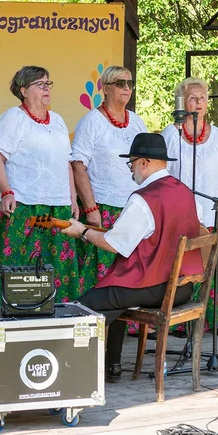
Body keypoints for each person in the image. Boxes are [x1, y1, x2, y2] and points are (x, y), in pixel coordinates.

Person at [62, 133, 202, 382]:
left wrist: (82, 231)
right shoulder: (184, 191)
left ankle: (72, 370)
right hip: (183, 285)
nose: (131, 170)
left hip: (155, 285)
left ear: (144, 163)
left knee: (84, 304)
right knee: (115, 296)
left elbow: (115, 245)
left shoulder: (143, 199)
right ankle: (110, 365)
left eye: (132, 163)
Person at [0, 65, 82, 303]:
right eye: (40, 84)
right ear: (24, 91)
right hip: (25, 206)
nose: (46, 88)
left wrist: (72, 197)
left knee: (58, 266)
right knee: (21, 267)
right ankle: (17, 317)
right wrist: (6, 192)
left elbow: (66, 163)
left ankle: (59, 318)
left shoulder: (58, 121)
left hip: (57, 206)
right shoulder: (13, 118)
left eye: (48, 83)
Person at [161, 77, 218, 336]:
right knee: (179, 267)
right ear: (182, 101)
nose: (198, 102)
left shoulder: (217, 135)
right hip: (179, 213)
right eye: (192, 97)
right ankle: (179, 319)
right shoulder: (172, 133)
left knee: (206, 267)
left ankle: (208, 318)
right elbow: (162, 176)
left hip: (209, 211)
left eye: (202, 97)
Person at [70, 65, 147, 287]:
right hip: (104, 207)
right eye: (120, 83)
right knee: (101, 272)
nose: (126, 88)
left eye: (130, 83)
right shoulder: (91, 122)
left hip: (133, 208)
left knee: (132, 271)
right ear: (105, 88)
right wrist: (91, 208)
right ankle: (97, 320)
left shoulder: (136, 121)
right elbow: (78, 165)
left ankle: (131, 321)